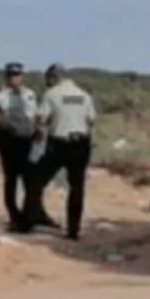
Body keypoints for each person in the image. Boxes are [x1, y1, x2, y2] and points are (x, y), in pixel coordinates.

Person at [0, 62, 46, 230]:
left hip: (28, 140)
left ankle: (30, 215)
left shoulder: (30, 94)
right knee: (11, 179)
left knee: (30, 180)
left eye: (18, 75)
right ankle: (14, 215)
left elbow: (36, 114)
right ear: (6, 77)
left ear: (22, 76)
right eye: (11, 75)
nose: (15, 78)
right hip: (9, 141)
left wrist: (39, 128)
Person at [27, 64, 97, 240]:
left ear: (52, 78)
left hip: (58, 144)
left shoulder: (51, 94)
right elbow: (91, 120)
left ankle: (27, 220)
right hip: (81, 143)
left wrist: (36, 141)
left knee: (36, 181)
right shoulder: (83, 95)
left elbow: (41, 119)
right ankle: (73, 231)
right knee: (77, 188)